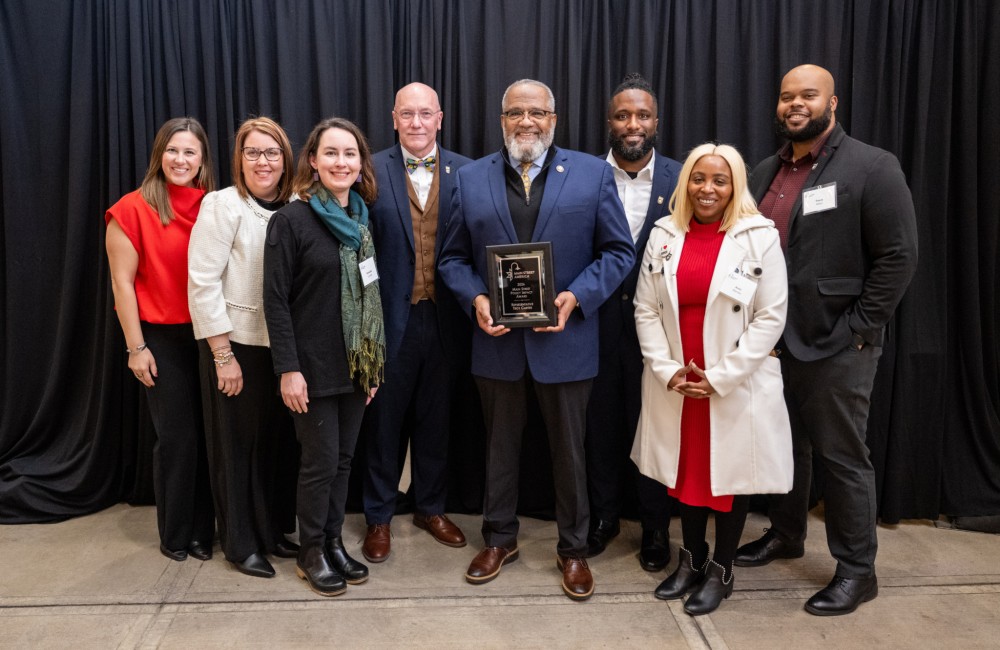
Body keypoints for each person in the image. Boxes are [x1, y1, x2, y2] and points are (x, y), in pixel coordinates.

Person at [438, 79, 634, 601]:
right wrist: (477, 299)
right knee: (498, 448)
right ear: (501, 119)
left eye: (538, 112)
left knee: (570, 452)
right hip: (496, 342)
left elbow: (618, 252)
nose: (527, 121)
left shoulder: (593, 174)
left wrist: (575, 297)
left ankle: (573, 549)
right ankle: (500, 538)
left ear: (554, 118)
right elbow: (451, 260)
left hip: (567, 341)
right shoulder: (471, 177)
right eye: (516, 112)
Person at [733, 64, 918, 616]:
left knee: (842, 456)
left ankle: (858, 571)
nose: (795, 104)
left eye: (807, 95)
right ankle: (787, 535)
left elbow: (899, 256)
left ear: (831, 103)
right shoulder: (766, 169)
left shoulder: (871, 166)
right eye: (787, 96)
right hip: (774, 342)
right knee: (786, 448)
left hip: (839, 342)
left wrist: (861, 327)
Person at [631, 143, 792, 615]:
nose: (708, 188)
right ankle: (691, 558)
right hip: (679, 380)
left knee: (729, 476)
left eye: (719, 180)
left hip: (730, 382)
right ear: (686, 183)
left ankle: (721, 568)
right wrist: (667, 369)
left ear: (735, 185)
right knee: (687, 475)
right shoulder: (664, 232)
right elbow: (645, 308)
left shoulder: (758, 235)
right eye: (699, 178)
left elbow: (770, 315)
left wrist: (720, 377)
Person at [263, 117, 384, 597]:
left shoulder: (360, 221)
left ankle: (334, 542)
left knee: (344, 461)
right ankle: (310, 550)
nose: (341, 162)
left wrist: (373, 366)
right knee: (319, 461)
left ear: (360, 164)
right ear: (312, 161)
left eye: (350, 154)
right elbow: (275, 300)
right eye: (331, 153)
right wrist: (287, 369)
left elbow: (371, 295)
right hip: (309, 369)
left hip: (354, 365)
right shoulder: (290, 221)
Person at [360, 83, 473, 563]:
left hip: (448, 320)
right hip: (389, 320)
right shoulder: (368, 171)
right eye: (407, 114)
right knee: (384, 423)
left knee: (436, 420)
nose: (417, 123)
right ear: (394, 118)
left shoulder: (468, 173)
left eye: (426, 113)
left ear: (440, 118)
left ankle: (430, 507)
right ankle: (379, 517)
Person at [188, 117, 299, 578]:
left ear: (287, 159)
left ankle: (272, 530)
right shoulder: (221, 205)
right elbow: (201, 282)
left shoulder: (298, 204)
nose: (263, 161)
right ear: (239, 159)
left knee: (278, 446)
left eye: (272, 152)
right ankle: (240, 542)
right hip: (236, 346)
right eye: (253, 152)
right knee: (237, 449)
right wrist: (222, 355)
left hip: (285, 350)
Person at [105, 117, 217, 562]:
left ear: (202, 159)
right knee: (177, 438)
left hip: (209, 336)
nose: (180, 159)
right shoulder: (131, 209)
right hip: (160, 338)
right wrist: (136, 348)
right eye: (173, 150)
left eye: (190, 152)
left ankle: (203, 532)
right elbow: (121, 284)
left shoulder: (213, 205)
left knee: (211, 437)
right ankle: (176, 533)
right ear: (159, 155)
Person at [585, 73, 681, 570]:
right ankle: (602, 519)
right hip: (594, 329)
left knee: (654, 428)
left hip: (660, 336)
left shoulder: (684, 178)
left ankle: (656, 528)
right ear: (609, 122)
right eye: (623, 115)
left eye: (642, 114)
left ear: (656, 121)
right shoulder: (582, 175)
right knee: (599, 427)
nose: (633, 123)